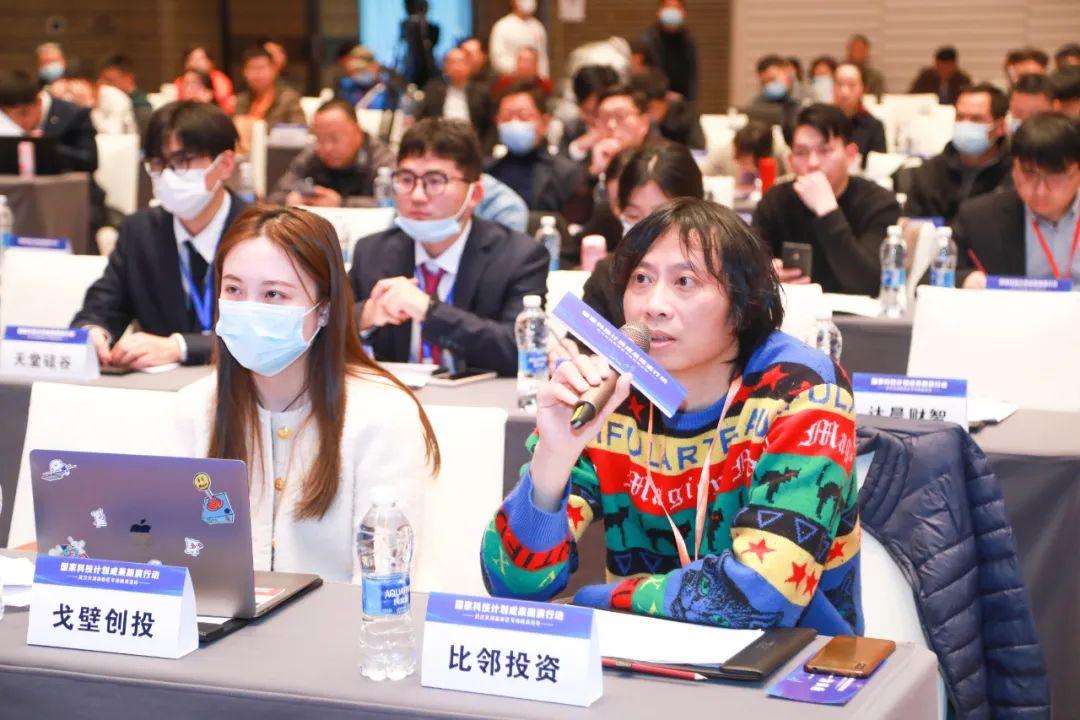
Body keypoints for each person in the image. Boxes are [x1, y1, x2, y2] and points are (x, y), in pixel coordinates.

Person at [481, 197, 861, 635]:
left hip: (794, 658)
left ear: (742, 302)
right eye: (641, 279)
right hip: (638, 653)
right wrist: (554, 457)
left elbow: (763, 594)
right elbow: (512, 587)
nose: (654, 305)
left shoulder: (803, 390)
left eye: (685, 281)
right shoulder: (610, 394)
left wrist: (594, 602)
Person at [175, 204, 440, 582]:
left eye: (273, 294)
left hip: (342, 619)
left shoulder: (382, 414)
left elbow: (385, 581)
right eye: (233, 289)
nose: (249, 309)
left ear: (325, 309)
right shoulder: (193, 407)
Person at [349, 118, 548, 376]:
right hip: (395, 396)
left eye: (435, 181)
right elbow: (325, 333)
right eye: (406, 179)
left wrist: (429, 311)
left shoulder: (519, 256)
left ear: (474, 194)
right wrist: (365, 317)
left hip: (480, 399)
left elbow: (520, 349)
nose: (417, 196)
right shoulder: (372, 252)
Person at [72, 101, 244, 368]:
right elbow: (104, 304)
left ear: (225, 164)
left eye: (182, 161)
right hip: (158, 387)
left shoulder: (262, 235)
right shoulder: (140, 231)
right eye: (157, 164)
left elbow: (266, 333)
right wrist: (94, 331)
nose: (167, 176)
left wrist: (181, 347)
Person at [752, 104, 900, 296]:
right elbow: (746, 269)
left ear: (850, 155)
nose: (813, 163)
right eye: (801, 153)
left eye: (825, 151)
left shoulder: (879, 203)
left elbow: (870, 283)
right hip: (793, 310)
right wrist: (766, 275)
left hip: (855, 314)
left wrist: (828, 211)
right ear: (790, 160)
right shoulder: (775, 201)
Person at [580, 141, 704, 330]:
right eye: (633, 216)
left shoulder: (717, 276)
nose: (645, 229)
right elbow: (579, 341)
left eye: (659, 216)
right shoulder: (607, 274)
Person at [951, 112, 1079, 289]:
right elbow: (932, 276)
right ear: (1014, 168)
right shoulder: (978, 217)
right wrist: (968, 280)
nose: (1041, 190)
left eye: (1055, 176)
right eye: (1029, 174)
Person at [903, 84, 1011, 223]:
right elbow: (910, 225)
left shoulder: (1014, 174)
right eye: (960, 117)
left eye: (976, 119)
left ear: (1000, 127)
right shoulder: (929, 173)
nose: (965, 125)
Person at [486, 80, 587, 219]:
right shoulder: (486, 172)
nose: (514, 122)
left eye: (523, 116)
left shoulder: (566, 173)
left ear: (544, 122)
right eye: (506, 117)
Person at [269, 99, 396, 208]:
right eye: (320, 139)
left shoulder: (381, 158)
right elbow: (275, 197)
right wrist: (291, 199)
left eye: (335, 138)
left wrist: (342, 203)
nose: (327, 147)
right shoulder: (312, 155)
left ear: (358, 132)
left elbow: (396, 203)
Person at [0, 69, 97, 173]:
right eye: (10, 117)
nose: (19, 122)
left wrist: (46, 146)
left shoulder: (74, 114)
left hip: (70, 180)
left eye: (23, 113)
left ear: (39, 102)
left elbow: (90, 160)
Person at [416, 47, 495, 151]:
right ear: (445, 67)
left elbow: (490, 126)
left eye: (461, 62)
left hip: (473, 146)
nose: (457, 66)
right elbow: (422, 120)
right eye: (453, 62)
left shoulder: (482, 92)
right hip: (438, 145)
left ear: (469, 65)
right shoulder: (433, 90)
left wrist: (486, 151)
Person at [631, 68, 705, 149]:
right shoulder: (632, 119)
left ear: (665, 100)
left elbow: (698, 150)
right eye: (642, 108)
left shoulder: (685, 114)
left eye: (651, 107)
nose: (647, 113)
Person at [233, 46, 305, 129]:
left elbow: (300, 129)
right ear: (244, 72)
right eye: (252, 68)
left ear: (273, 70)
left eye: (262, 68)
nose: (257, 74)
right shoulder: (240, 100)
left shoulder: (288, 99)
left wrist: (259, 126)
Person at [640, 0, 698, 103]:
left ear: (684, 13)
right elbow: (645, 77)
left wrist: (689, 104)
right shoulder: (647, 41)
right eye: (668, 7)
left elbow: (692, 81)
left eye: (676, 8)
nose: (672, 11)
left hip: (681, 103)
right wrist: (664, 95)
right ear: (659, 12)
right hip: (654, 101)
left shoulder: (688, 41)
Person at [561, 64, 620, 160]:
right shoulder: (572, 130)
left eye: (604, 114)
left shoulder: (630, 127)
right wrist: (578, 148)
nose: (597, 121)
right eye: (592, 113)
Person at [833, 62, 886, 163]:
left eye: (851, 85)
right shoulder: (823, 123)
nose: (844, 91)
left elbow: (879, 166)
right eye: (839, 84)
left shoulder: (874, 126)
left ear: (863, 88)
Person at [489, 0, 549, 79]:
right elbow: (497, 58)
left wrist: (543, 77)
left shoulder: (538, 27)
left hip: (534, 80)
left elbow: (542, 57)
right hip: (509, 79)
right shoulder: (502, 26)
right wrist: (520, 70)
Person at [743, 55, 800, 133]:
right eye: (771, 80)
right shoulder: (755, 105)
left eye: (777, 79)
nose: (775, 84)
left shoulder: (798, 104)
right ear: (761, 77)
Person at [98, 53, 152, 132]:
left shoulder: (141, 108)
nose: (104, 86)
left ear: (128, 78)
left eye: (110, 81)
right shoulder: (107, 102)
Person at [173, 46, 235, 114]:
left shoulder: (219, 79)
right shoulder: (180, 80)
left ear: (210, 62)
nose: (196, 62)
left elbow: (224, 103)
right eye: (192, 58)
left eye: (201, 58)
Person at [336, 46, 399, 111]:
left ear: (375, 66)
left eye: (361, 70)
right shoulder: (346, 88)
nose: (356, 75)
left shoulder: (390, 91)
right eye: (353, 72)